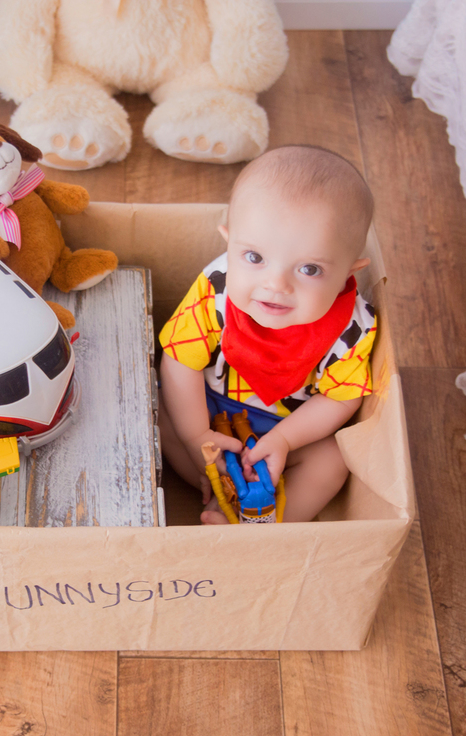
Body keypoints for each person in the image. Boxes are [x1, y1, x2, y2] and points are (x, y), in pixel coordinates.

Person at [157, 145, 377, 524]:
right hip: (204, 409)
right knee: (153, 409)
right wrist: (196, 438)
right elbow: (180, 360)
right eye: (255, 258)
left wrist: (286, 439)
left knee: (333, 460)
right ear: (229, 243)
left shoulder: (353, 327)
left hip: (287, 435)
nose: (275, 285)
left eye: (309, 269)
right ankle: (219, 491)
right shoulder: (217, 287)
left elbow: (341, 400)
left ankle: (264, 527)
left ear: (348, 272)